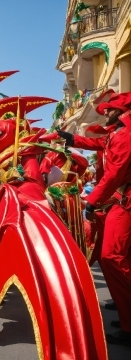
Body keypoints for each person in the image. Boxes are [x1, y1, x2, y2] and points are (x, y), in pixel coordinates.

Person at [58, 92, 131, 345]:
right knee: (109, 255)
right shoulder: (117, 133)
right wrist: (72, 139)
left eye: (110, 110)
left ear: (121, 112)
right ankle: (126, 316)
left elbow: (113, 174)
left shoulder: (124, 135)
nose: (106, 113)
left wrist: (92, 201)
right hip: (120, 200)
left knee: (112, 257)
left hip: (125, 201)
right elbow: (99, 145)